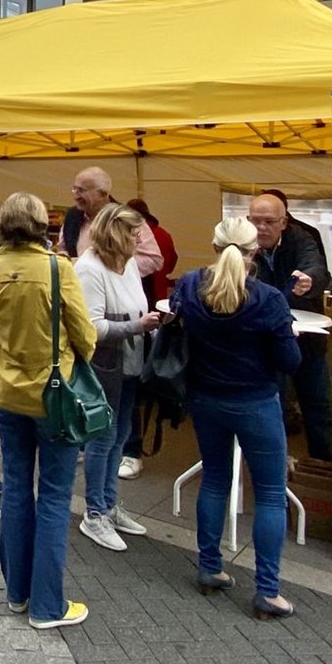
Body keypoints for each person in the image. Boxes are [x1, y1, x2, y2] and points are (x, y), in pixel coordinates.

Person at [171, 217, 301, 619]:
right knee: (269, 493)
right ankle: (267, 590)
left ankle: (210, 568)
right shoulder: (268, 299)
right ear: (254, 251)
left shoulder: (190, 286)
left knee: (214, 481)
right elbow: (289, 361)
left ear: (214, 246)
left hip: (206, 398)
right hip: (256, 402)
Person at [0, 192, 97, 630]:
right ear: (39, 223)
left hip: (8, 392)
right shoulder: (57, 268)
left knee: (15, 488)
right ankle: (48, 605)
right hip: (55, 396)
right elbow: (85, 337)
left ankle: (17, 593)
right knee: (53, 496)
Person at [74, 204, 159, 552]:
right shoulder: (89, 269)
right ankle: (94, 512)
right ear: (113, 233)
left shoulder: (126, 265)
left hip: (130, 363)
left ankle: (108, 504)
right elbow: (91, 327)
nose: (138, 240)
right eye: (132, 233)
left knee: (122, 434)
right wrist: (137, 326)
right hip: (106, 366)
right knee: (103, 437)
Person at [249, 194, 332, 461]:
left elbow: (317, 267)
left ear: (284, 222)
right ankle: (278, 464)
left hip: (306, 339)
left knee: (317, 402)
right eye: (255, 221)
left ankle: (323, 463)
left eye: (269, 222)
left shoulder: (301, 238)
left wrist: (310, 280)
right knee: (274, 402)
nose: (261, 228)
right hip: (267, 341)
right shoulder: (244, 245)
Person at [121, 197, 179, 480]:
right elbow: (171, 262)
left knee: (131, 384)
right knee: (138, 381)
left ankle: (130, 449)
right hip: (157, 303)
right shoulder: (164, 234)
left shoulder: (141, 240)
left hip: (144, 309)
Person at [58, 166, 162, 279]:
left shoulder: (126, 219)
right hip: (79, 289)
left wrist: (109, 270)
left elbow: (153, 259)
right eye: (75, 189)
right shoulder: (72, 217)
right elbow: (63, 249)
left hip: (118, 290)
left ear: (103, 194)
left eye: (81, 191)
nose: (76, 196)